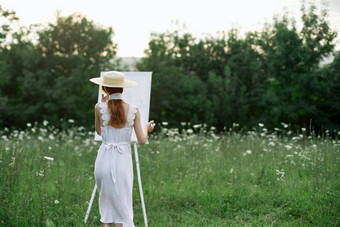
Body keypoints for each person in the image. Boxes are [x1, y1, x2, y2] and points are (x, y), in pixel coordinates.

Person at [89, 71, 155, 227]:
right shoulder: (134, 109)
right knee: (122, 202)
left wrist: (104, 104)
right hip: (122, 161)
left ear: (104, 88)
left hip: (103, 159)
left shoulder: (99, 107)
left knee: (105, 201)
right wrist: (147, 128)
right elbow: (142, 140)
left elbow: (99, 131)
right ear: (123, 89)